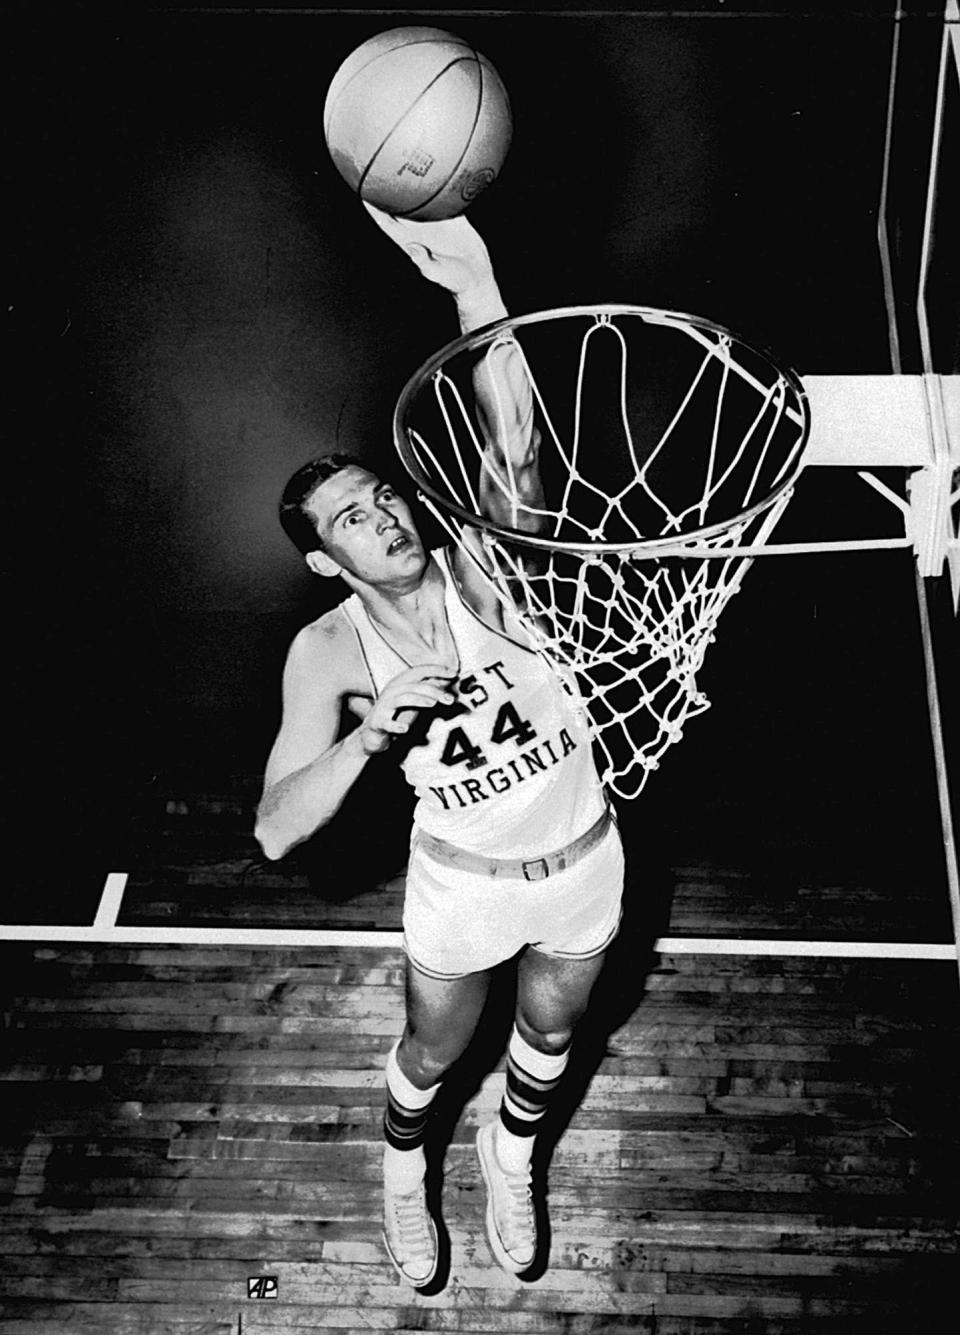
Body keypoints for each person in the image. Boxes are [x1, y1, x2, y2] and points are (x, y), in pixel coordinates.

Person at [255, 205, 625, 1287]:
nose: (382, 517)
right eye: (351, 521)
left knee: (550, 1046)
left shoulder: (491, 566)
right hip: (462, 887)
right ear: (328, 563)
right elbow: (278, 829)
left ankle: (510, 1161)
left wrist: (478, 289)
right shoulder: (329, 650)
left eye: (382, 496)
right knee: (433, 1055)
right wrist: (369, 735)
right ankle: (403, 1177)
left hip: (584, 861)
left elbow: (515, 442)